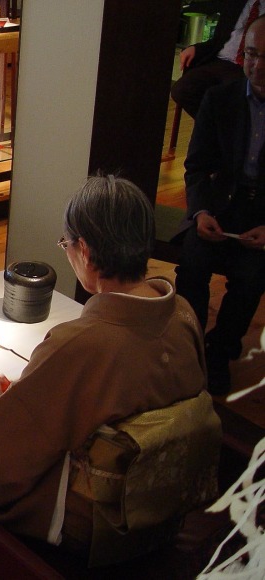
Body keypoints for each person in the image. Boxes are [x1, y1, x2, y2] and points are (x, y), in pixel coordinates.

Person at [0, 176, 209, 578]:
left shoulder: (83, 343)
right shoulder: (182, 313)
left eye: (67, 244)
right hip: (167, 504)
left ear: (86, 251)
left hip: (98, 522)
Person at [175, 15, 265, 395]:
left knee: (251, 279)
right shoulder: (220, 99)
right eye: (251, 54)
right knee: (192, 266)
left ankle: (219, 351)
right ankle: (188, 346)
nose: (256, 66)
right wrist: (201, 211)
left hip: (260, 214)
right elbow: (196, 167)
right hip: (218, 207)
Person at [171, 0, 262, 119]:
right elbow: (218, 39)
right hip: (222, 59)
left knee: (231, 98)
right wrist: (196, 48)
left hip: (249, 66)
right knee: (182, 90)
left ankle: (223, 132)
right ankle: (218, 131)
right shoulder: (237, 3)